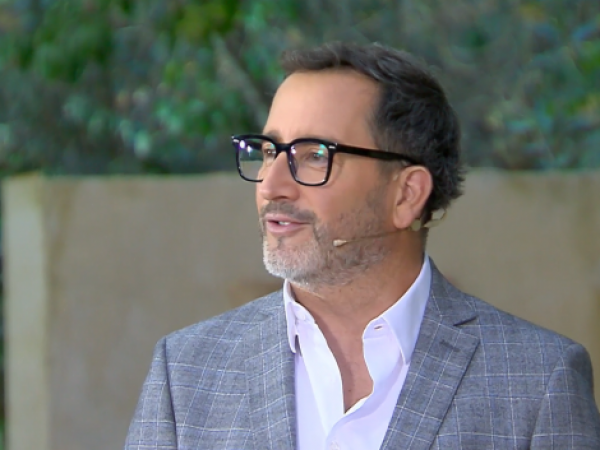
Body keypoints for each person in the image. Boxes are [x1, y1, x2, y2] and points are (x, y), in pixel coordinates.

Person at [125, 42, 600, 449]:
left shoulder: (537, 380)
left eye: (314, 155)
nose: (271, 185)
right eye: (269, 152)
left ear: (406, 194)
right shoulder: (186, 372)